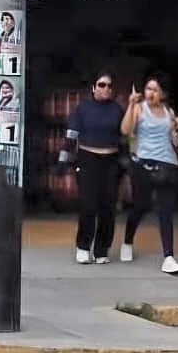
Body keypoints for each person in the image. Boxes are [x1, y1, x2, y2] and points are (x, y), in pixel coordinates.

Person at [120, 73, 178, 275]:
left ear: (163, 94)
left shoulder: (168, 112)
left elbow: (176, 136)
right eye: (148, 88)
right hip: (144, 165)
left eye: (155, 90)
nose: (150, 93)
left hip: (169, 164)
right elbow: (125, 130)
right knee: (141, 206)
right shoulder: (139, 108)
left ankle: (168, 257)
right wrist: (130, 105)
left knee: (165, 212)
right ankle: (128, 240)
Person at [61, 72, 125, 265]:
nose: (106, 89)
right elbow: (71, 135)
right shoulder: (83, 109)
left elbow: (126, 136)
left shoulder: (118, 110)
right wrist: (62, 162)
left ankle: (101, 249)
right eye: (102, 84)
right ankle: (83, 246)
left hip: (111, 161)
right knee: (88, 205)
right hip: (88, 159)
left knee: (108, 207)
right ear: (93, 87)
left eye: (109, 86)